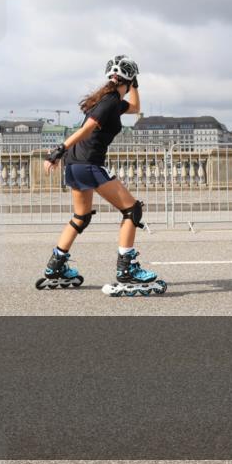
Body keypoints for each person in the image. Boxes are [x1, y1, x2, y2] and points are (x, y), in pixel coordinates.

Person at [35, 55, 166, 296]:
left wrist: (135, 84)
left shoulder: (111, 100)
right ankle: (126, 269)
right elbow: (86, 129)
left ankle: (56, 266)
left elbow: (136, 108)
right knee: (132, 210)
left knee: (80, 217)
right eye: (131, 82)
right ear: (125, 81)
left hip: (74, 164)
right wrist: (57, 150)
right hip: (88, 163)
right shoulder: (109, 103)